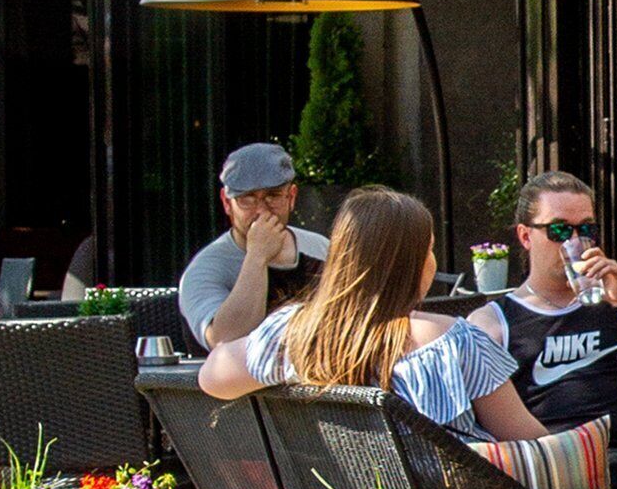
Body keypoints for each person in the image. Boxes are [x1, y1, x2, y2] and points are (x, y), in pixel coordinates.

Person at [199, 187, 547, 440]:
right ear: (416, 264)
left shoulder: (291, 334)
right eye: (429, 250)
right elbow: (527, 443)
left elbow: (211, 379)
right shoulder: (457, 342)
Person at [495, 172, 617, 478]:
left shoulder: (615, 306)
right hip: (564, 471)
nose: (574, 241)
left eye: (586, 229)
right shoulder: (498, 321)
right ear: (525, 236)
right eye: (559, 230)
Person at [178, 142, 332, 350]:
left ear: (292, 197)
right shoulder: (205, 269)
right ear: (226, 202)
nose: (261, 210)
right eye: (247, 199)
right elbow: (224, 343)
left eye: (273, 196)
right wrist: (257, 257)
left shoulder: (320, 248)